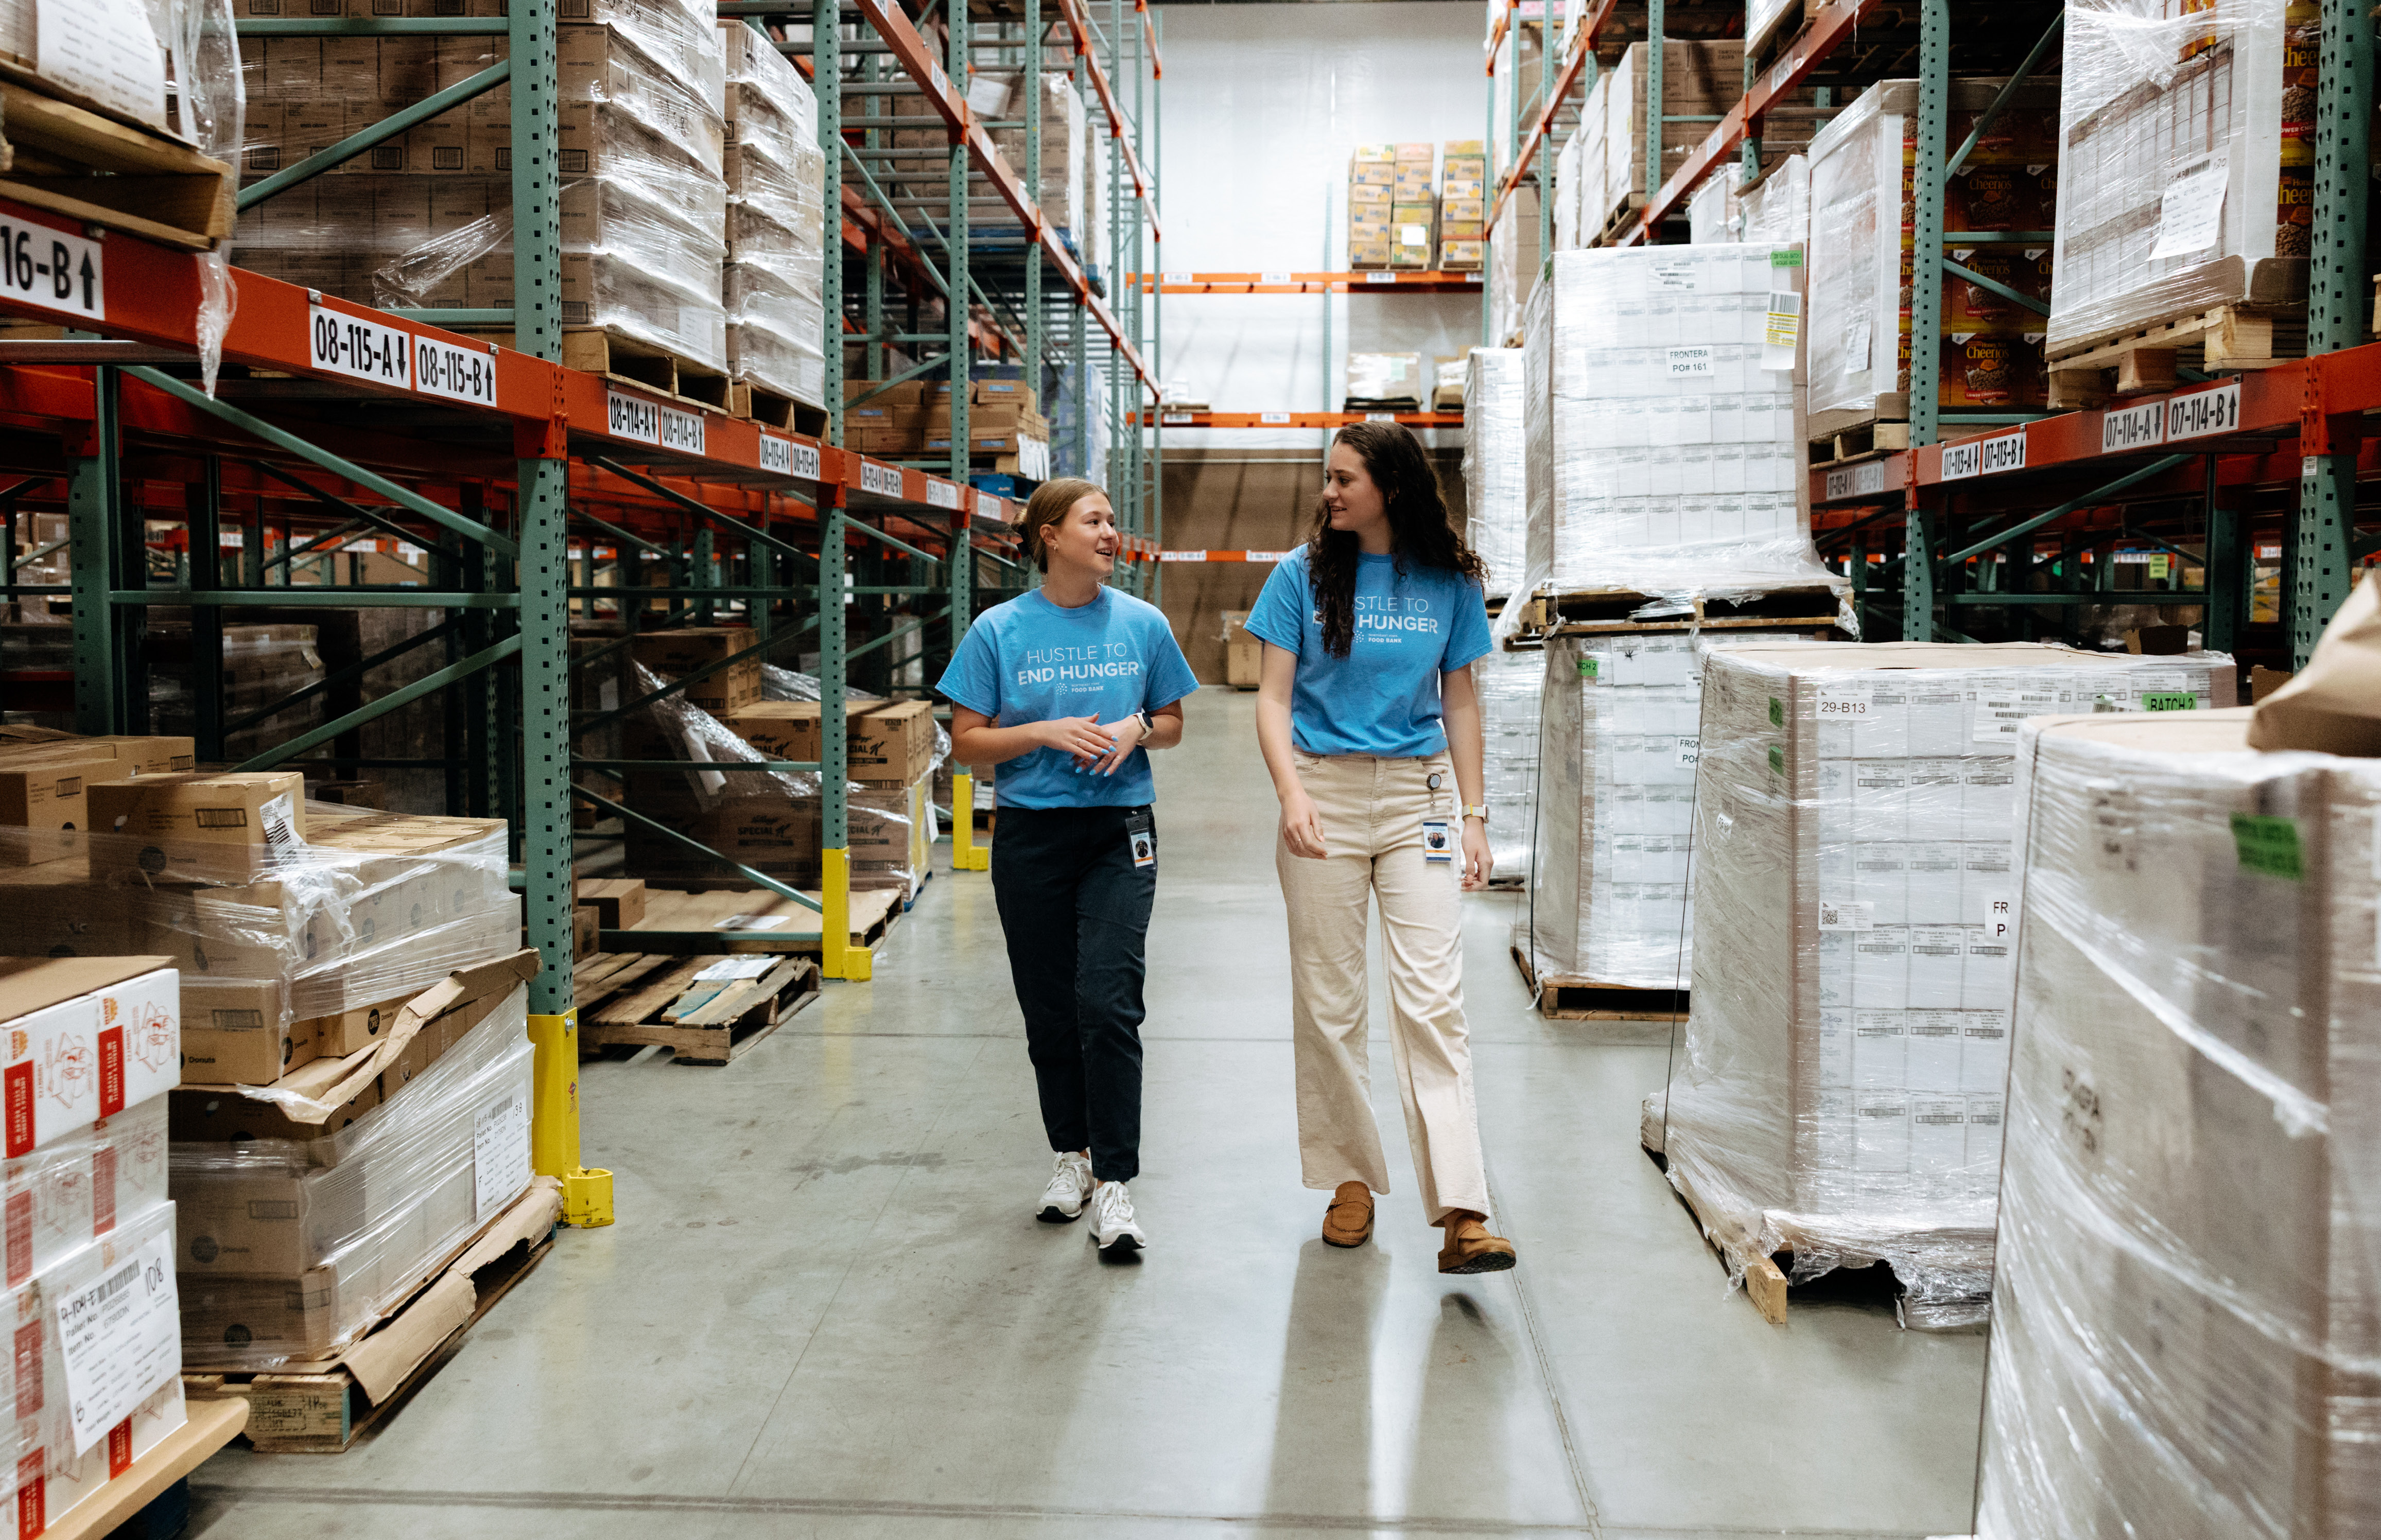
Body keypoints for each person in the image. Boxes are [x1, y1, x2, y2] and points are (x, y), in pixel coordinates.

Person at [1244, 422, 1517, 1274]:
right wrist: (1291, 794)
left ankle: (1464, 1210)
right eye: (1326, 479)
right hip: (1321, 793)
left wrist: (1474, 814)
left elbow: (1461, 699)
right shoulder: (1299, 576)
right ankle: (1350, 1179)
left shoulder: (1446, 580)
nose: (1328, 493)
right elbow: (1271, 698)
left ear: (1389, 487)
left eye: (1343, 480)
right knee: (1329, 1003)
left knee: (1432, 997)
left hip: (1418, 799)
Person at [939, 476, 1199, 1257]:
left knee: (1108, 1001)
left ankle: (1116, 1181)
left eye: (1113, 521)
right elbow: (967, 743)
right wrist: (1044, 732)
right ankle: (1072, 1158)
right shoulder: (997, 630)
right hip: (1030, 837)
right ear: (1049, 535)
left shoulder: (1143, 624)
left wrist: (1136, 728)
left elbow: (1175, 723)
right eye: (1094, 521)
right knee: (1049, 1006)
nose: (1110, 532)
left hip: (1120, 832)